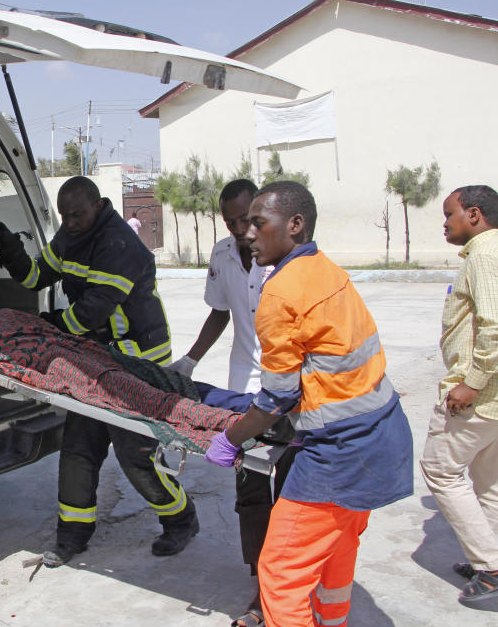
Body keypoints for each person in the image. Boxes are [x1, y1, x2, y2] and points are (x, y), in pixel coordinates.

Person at [204, 181, 413, 627]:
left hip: (337, 456)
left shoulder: (279, 293)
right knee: (336, 554)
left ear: (294, 225)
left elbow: (276, 398)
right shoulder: (326, 269)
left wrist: (229, 439)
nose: (248, 234)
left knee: (280, 572)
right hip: (381, 437)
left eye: (259, 223)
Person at [0, 176, 199, 567]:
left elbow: (94, 310)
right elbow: (34, 276)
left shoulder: (119, 244)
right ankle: (72, 536)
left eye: (77, 214)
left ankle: (181, 519)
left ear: (98, 206)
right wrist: (7, 245)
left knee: (135, 455)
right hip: (96, 356)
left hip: (138, 359)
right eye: (64, 216)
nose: (70, 222)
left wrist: (50, 328)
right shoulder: (70, 235)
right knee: (80, 445)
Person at [172, 178, 297, 627]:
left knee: (288, 488)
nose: (242, 229)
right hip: (243, 387)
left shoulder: (286, 257)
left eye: (247, 218)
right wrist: (189, 359)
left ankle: (281, 589)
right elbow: (220, 312)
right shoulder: (224, 255)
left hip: (290, 392)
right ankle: (258, 580)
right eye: (232, 221)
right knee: (249, 489)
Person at [419, 185, 498, 606]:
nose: (445, 223)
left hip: (480, 397)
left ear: (474, 214)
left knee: (441, 469)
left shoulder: (485, 254)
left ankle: (492, 568)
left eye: (449, 214)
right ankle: (491, 554)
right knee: (488, 480)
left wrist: (472, 382)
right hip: (493, 401)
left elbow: (494, 326)